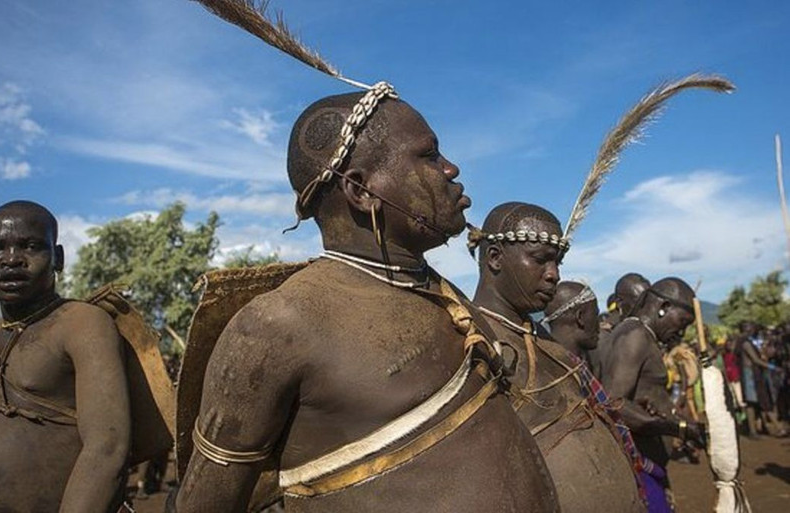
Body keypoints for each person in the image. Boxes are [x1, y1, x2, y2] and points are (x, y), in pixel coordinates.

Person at [176, 94, 559, 512]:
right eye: (429, 155)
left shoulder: (441, 292)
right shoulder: (279, 325)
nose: (451, 169)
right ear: (361, 190)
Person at [469, 203, 643, 512]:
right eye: (540, 260)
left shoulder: (543, 339)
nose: (554, 275)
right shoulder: (473, 343)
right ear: (495, 258)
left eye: (557, 262)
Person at [0, 201, 131, 512]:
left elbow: (107, 448)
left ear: (57, 258)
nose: (11, 259)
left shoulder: (81, 322)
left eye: (30, 246)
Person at [602, 277, 706, 512]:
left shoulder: (641, 335)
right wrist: (677, 428)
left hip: (649, 463)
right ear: (663, 308)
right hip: (639, 465)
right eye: (683, 321)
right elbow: (613, 403)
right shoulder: (635, 336)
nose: (682, 331)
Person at [590, 273, 651, 380]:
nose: (646, 310)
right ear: (619, 303)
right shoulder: (601, 339)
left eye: (649, 303)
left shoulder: (646, 336)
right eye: (640, 303)